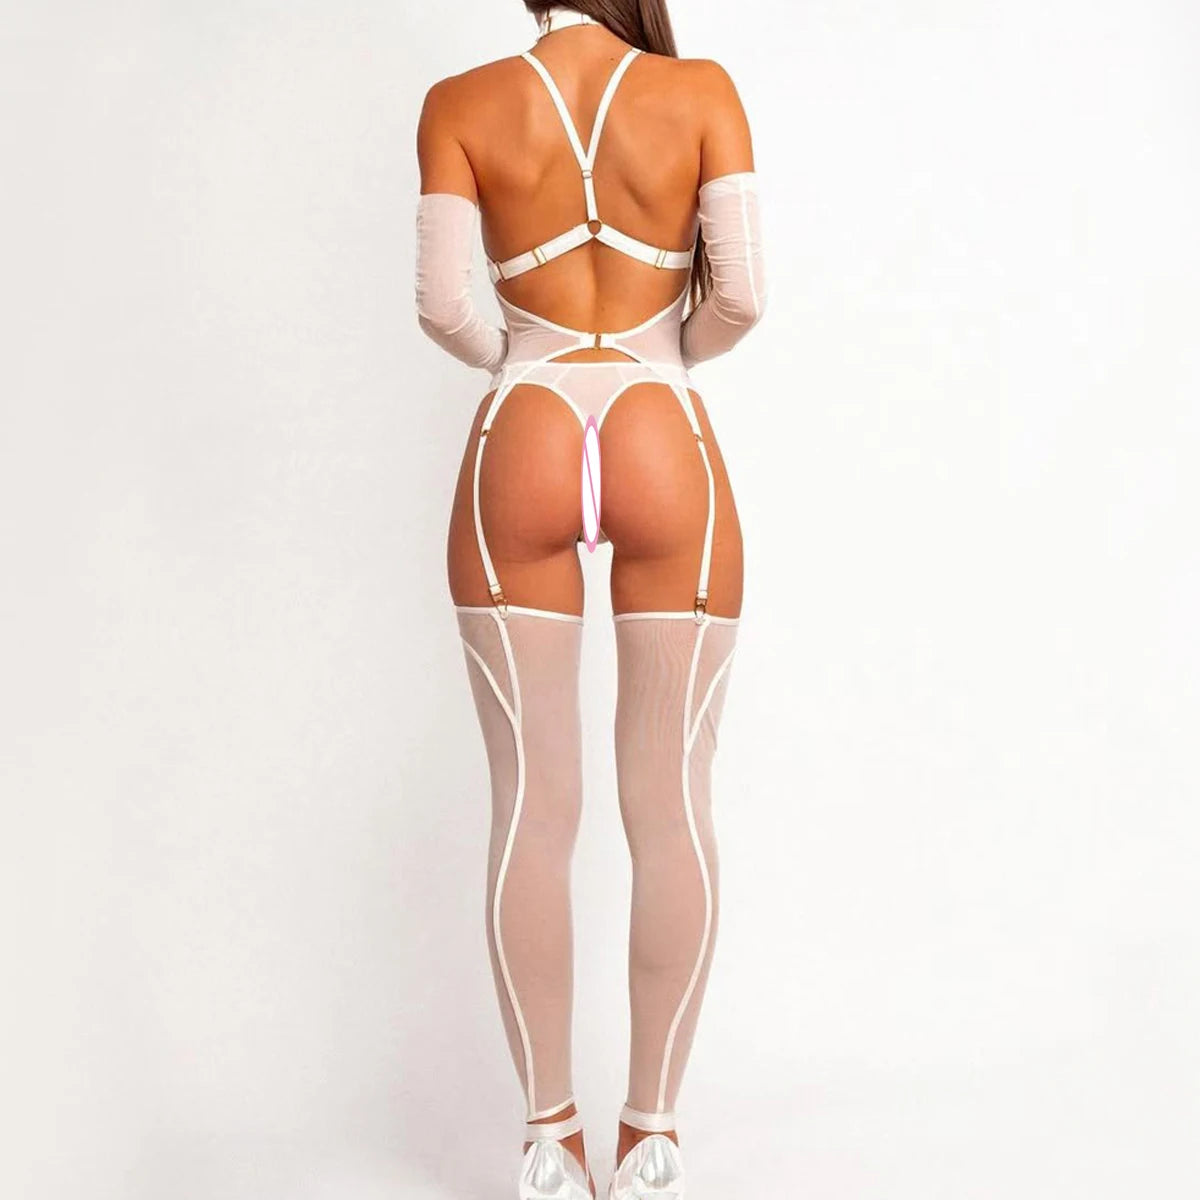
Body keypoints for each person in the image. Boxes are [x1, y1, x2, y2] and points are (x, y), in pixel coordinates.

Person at [414, 3, 765, 1196]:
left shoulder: (460, 104)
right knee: (671, 805)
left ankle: (549, 1144)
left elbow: (444, 305)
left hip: (523, 426)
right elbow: (741, 298)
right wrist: (660, 362)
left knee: (529, 806)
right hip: (663, 426)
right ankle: (653, 1137)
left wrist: (522, 362)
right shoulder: (702, 90)